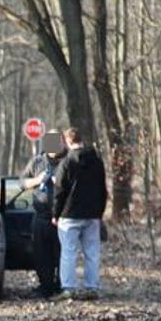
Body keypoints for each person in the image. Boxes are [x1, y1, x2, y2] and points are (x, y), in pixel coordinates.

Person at [52, 127, 108, 300]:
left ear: (68, 142)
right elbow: (103, 190)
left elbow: (59, 191)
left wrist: (56, 213)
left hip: (69, 215)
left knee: (69, 252)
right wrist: (99, 212)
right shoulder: (97, 161)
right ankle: (92, 287)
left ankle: (69, 288)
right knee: (92, 252)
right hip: (92, 215)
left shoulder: (67, 163)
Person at [19, 130, 65, 297]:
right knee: (41, 254)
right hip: (41, 216)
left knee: (62, 254)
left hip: (62, 216)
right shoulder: (38, 161)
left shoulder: (67, 161)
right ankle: (45, 286)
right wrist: (37, 180)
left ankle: (61, 286)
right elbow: (22, 182)